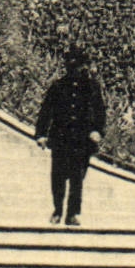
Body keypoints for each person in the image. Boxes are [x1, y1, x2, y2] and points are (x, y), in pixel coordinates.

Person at [34, 47, 106, 226]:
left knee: (77, 179)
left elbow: (100, 112)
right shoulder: (58, 86)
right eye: (71, 66)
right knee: (57, 177)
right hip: (60, 139)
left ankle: (72, 213)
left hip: (82, 140)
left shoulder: (92, 87)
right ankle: (58, 210)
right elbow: (46, 111)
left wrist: (97, 131)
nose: (75, 70)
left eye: (78, 66)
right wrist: (41, 134)